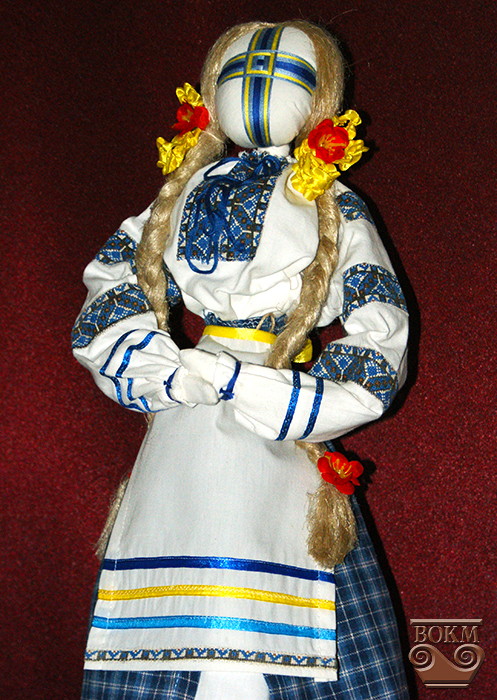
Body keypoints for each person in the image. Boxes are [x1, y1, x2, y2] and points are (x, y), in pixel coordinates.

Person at [73, 20, 409, 699]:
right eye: (239, 74)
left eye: (282, 76)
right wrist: (161, 370)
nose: (255, 88)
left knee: (287, 574)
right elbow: (111, 283)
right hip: (186, 422)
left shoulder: (333, 205)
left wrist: (287, 400)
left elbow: (381, 331)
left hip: (274, 424)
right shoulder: (176, 197)